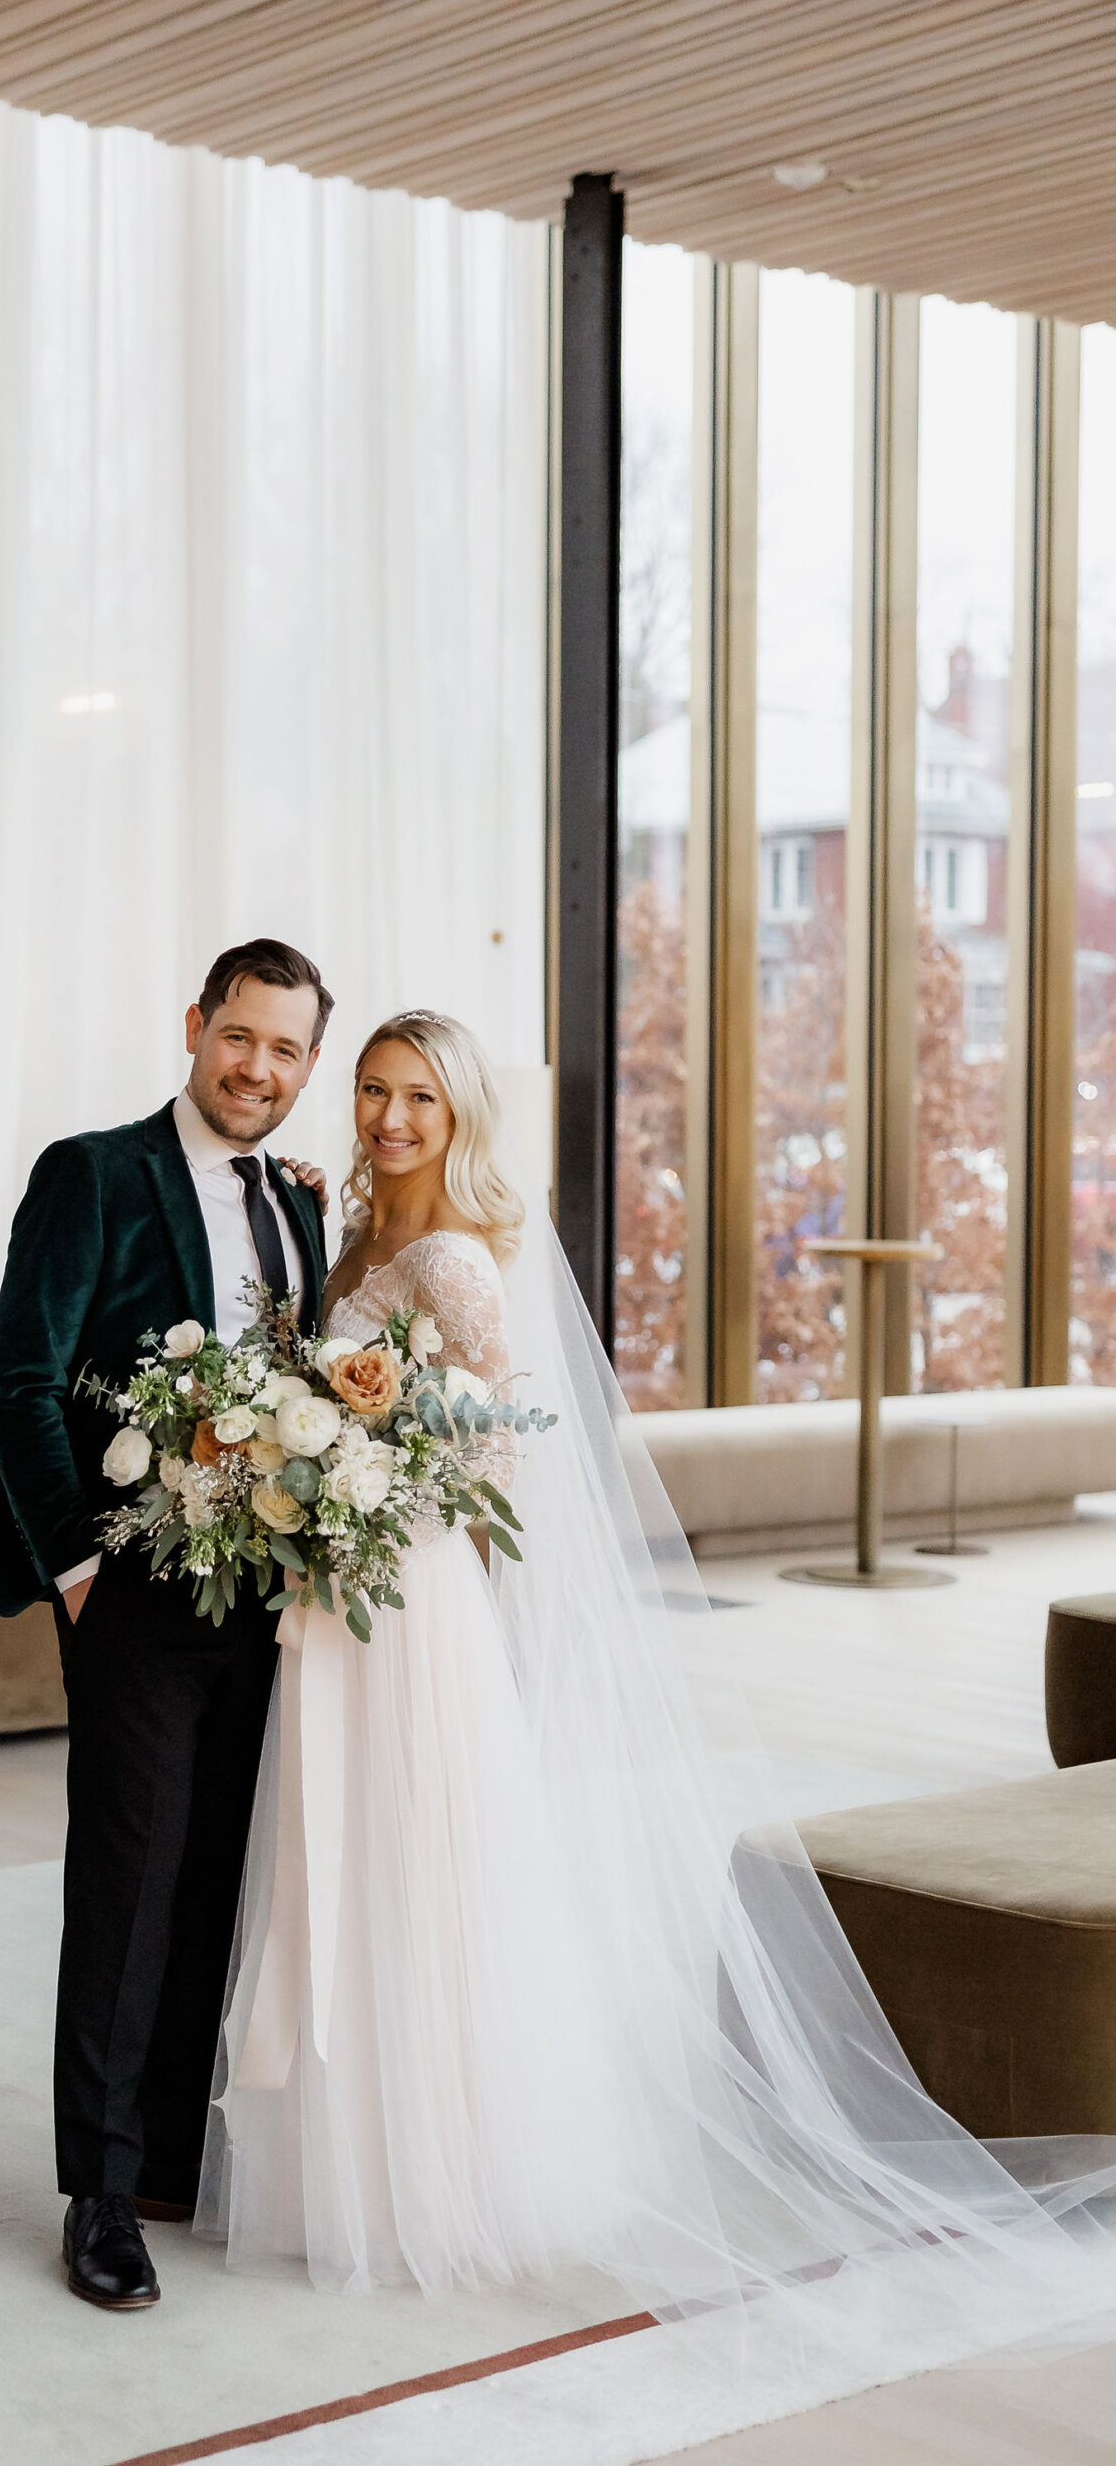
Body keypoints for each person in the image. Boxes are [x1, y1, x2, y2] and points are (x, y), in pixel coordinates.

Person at [197, 1010, 1116, 2421]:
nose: (388, 1118)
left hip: (413, 1596)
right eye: (374, 1092)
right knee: (339, 1865)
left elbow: (509, 1430)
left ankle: (444, 2169)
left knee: (416, 1861)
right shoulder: (353, 1246)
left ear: (460, 1120)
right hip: (339, 1596)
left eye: (419, 1101)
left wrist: (378, 1480)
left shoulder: (445, 1257)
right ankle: (339, 2160)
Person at [0, 939, 330, 2312]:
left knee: (216, 1879)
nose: (257, 1069)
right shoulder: (93, 1173)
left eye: (287, 1050)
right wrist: (76, 1566)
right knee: (123, 1888)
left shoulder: (297, 1202)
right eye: (240, 1037)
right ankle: (98, 2193)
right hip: (128, 1589)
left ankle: (171, 2157)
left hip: (266, 1595)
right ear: (194, 1026)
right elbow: (18, 1380)